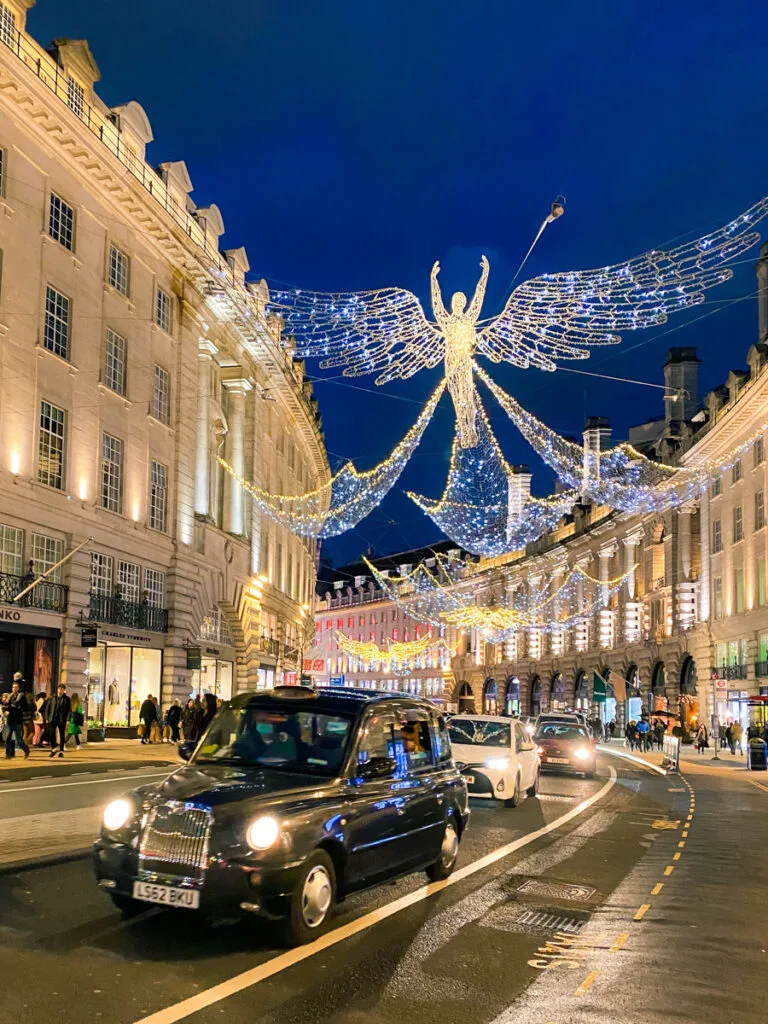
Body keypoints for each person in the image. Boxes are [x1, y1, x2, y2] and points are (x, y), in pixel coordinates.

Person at [4, 680, 30, 759]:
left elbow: (25, 707)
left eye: (16, 687)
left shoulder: (21, 697)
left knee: (18, 740)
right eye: (13, 687)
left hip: (18, 720)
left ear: (18, 688)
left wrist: (19, 708)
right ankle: (8, 754)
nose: (14, 689)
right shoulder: (10, 696)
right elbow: (7, 706)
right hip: (10, 720)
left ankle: (26, 750)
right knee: (7, 738)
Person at [45, 683, 71, 758]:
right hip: (53, 718)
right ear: (57, 689)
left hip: (61, 719)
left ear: (64, 690)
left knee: (62, 735)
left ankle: (61, 751)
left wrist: (68, 720)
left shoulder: (67, 699)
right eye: (59, 689)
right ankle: (54, 749)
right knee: (51, 733)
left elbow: (69, 710)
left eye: (62, 689)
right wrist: (46, 718)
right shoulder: (52, 698)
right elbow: (48, 708)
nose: (60, 690)